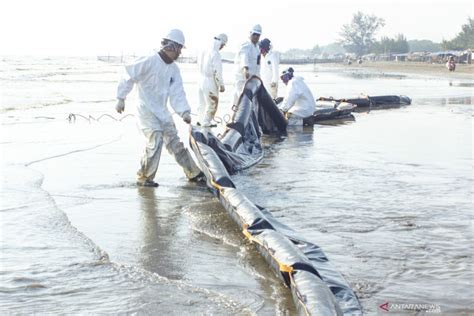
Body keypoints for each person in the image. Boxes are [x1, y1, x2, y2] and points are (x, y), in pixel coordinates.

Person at [115, 29, 202, 187]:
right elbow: (129, 75)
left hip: (162, 111)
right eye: (179, 49)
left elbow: (177, 93)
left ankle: (193, 172)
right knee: (155, 139)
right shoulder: (149, 60)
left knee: (175, 142)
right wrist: (121, 98)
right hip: (146, 110)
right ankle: (144, 177)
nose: (180, 53)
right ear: (171, 46)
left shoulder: (174, 69)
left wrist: (184, 112)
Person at [197, 33, 227, 127]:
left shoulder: (204, 50)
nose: (222, 47)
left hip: (201, 80)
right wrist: (221, 85)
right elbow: (217, 71)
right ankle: (206, 123)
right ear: (221, 43)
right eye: (223, 45)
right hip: (210, 81)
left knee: (202, 103)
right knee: (212, 104)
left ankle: (200, 120)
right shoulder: (215, 53)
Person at [233, 24, 262, 105]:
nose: (256, 37)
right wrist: (245, 69)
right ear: (250, 34)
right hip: (242, 79)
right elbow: (244, 57)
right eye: (254, 34)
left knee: (245, 101)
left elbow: (257, 66)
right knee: (242, 99)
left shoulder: (256, 47)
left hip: (252, 80)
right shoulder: (246, 45)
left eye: (258, 35)